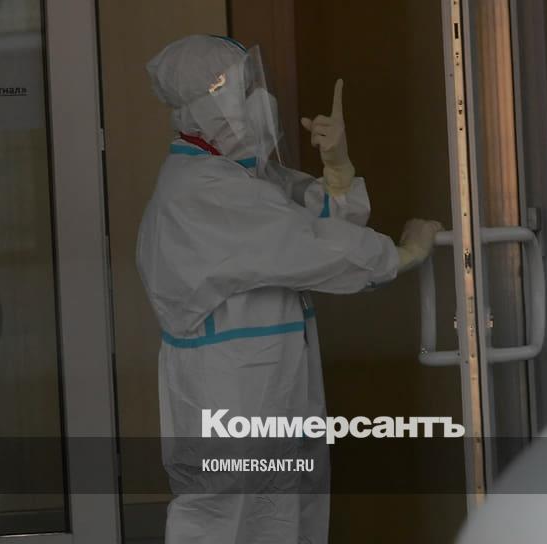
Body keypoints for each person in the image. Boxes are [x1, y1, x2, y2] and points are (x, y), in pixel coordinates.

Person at [137, 35, 442, 544]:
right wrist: (397, 255)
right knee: (226, 521)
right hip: (231, 386)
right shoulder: (202, 190)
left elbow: (318, 219)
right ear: (202, 104)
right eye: (243, 88)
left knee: (280, 516)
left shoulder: (239, 174)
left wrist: (338, 168)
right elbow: (310, 245)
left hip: (261, 378)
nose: (261, 99)